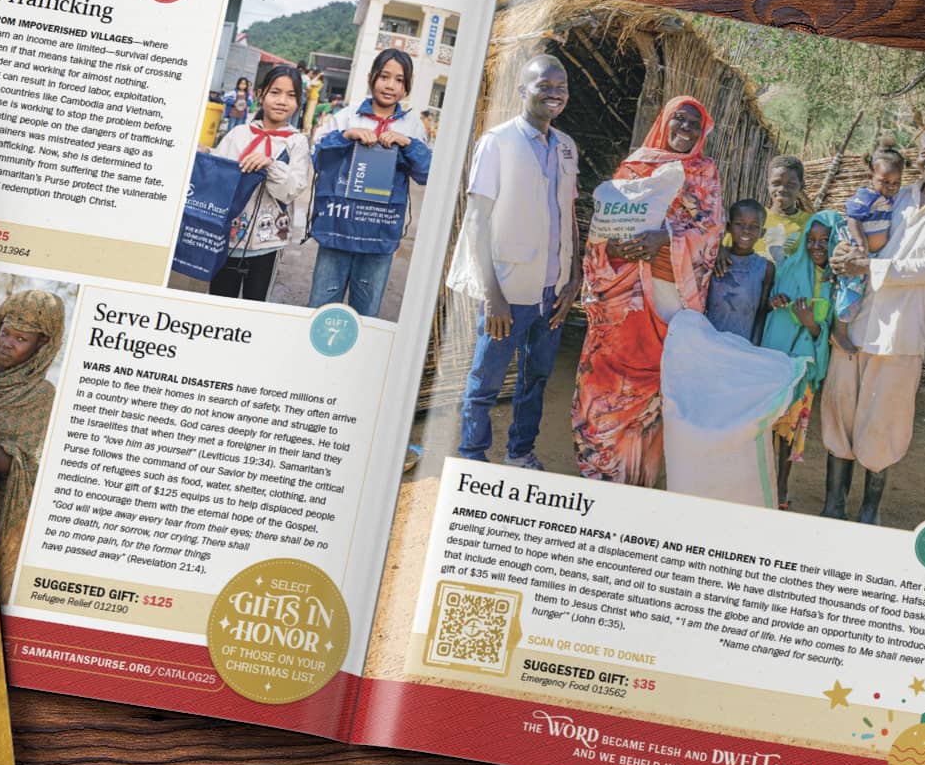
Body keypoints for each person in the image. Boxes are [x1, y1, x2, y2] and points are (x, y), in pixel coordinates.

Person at [821, 126, 925, 522]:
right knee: (840, 411)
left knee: (884, 422)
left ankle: (869, 509)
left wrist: (869, 266)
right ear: (917, 156)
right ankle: (834, 502)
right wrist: (847, 251)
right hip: (857, 319)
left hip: (901, 331)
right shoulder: (899, 195)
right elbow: (864, 233)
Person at [572, 94, 725, 486]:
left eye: (694, 124)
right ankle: (604, 470)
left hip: (672, 299)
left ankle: (639, 477)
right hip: (624, 300)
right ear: (664, 121)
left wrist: (666, 237)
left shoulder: (704, 172)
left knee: (656, 388)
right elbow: (601, 231)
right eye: (680, 120)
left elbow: (710, 231)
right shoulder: (634, 167)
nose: (685, 129)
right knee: (608, 382)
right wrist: (612, 248)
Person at [449, 52, 579, 467]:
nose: (554, 94)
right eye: (545, 86)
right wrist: (494, 297)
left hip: (552, 292)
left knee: (536, 379)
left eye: (561, 87)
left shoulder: (566, 148)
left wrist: (573, 280)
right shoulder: (498, 142)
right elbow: (476, 221)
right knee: (485, 381)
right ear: (523, 91)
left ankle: (520, 453)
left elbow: (569, 216)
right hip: (508, 288)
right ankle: (472, 456)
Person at [308, 48, 433, 317]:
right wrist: (346, 135)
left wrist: (407, 143)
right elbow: (318, 157)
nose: (390, 85)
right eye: (384, 76)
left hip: (379, 234)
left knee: (364, 316)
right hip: (338, 229)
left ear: (407, 85)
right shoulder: (347, 116)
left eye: (399, 80)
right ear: (371, 77)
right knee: (319, 309)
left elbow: (426, 174)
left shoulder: (412, 125)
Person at [0, 287, 64, 603]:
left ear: (43, 346)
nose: (6, 344)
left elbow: (23, 465)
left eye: (21, 339)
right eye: (5, 333)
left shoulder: (41, 396)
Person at [758, 209, 847, 507]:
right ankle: (760, 484)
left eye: (825, 240)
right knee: (767, 423)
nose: (817, 246)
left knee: (789, 428)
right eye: (812, 239)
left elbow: (833, 329)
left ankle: (781, 488)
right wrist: (776, 302)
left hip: (806, 364)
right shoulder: (792, 268)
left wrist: (809, 322)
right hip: (777, 358)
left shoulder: (842, 284)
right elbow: (771, 305)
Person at [206, 64, 315, 302]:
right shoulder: (238, 135)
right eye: (275, 92)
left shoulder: (297, 143)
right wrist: (205, 154)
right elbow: (216, 178)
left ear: (299, 102)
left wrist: (271, 166)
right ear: (261, 94)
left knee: (256, 303)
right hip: (228, 238)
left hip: (269, 242)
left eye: (291, 95)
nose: (282, 101)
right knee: (219, 301)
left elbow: (291, 190)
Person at [833, 144, 906, 329]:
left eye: (896, 183)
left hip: (873, 258)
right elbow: (852, 219)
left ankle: (849, 327)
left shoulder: (890, 200)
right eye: (884, 181)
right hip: (859, 252)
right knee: (848, 292)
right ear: (870, 177)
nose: (890, 187)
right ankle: (839, 330)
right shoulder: (866, 196)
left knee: (861, 295)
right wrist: (861, 244)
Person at [704, 199, 774, 341]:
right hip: (708, 340)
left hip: (742, 343)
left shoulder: (766, 268)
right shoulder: (714, 258)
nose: (746, 230)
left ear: (762, 232)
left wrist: (754, 346)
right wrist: (717, 250)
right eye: (739, 224)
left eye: (754, 226)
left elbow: (761, 313)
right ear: (728, 227)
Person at [756, 156, 814, 261]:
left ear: (801, 186)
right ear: (768, 184)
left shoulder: (810, 224)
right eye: (776, 183)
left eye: (791, 184)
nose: (782, 189)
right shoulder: (753, 219)